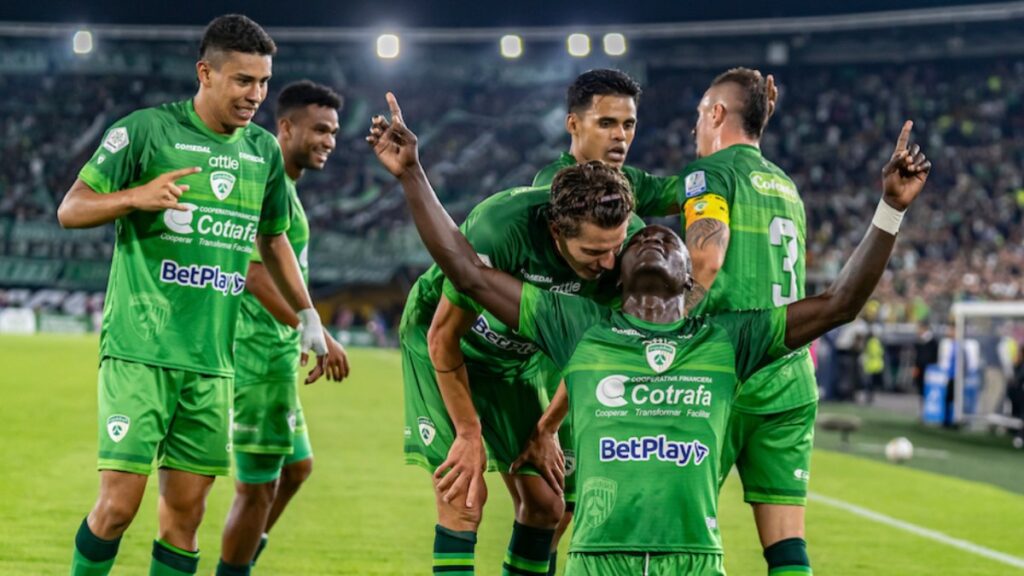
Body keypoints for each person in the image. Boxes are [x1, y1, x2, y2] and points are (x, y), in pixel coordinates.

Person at [369, 92, 930, 575]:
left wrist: (889, 210)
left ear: (691, 279)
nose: (649, 241)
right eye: (629, 246)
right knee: (476, 499)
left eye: (666, 239)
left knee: (544, 505)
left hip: (693, 558)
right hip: (594, 553)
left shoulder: (725, 337)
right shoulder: (580, 323)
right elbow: (465, 272)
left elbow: (839, 304)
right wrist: (412, 174)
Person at [58, 15, 336, 576]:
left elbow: (274, 238)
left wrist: (308, 316)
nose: (255, 95)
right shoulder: (145, 131)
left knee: (184, 520)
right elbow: (71, 208)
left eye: (262, 82)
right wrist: (136, 197)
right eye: (242, 81)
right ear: (205, 74)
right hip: (141, 349)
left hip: (212, 363)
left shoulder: (261, 152)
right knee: (118, 506)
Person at [218, 81, 349, 575]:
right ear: (286, 127)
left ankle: (246, 552)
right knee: (255, 492)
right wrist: (316, 332)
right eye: (319, 129)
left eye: (334, 131)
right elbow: (253, 274)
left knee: (296, 469)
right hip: (256, 359)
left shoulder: (285, 186)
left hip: (274, 352)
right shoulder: (265, 185)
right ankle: (234, 567)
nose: (329, 141)